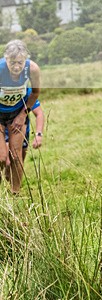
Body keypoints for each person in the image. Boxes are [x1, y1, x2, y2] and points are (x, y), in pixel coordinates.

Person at [0, 40, 42, 195]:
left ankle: (14, 193)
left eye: (20, 62)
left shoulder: (32, 69)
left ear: (26, 60)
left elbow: (35, 92)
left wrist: (23, 114)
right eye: (12, 63)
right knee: (2, 157)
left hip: (17, 113)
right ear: (6, 59)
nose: (16, 67)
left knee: (16, 156)